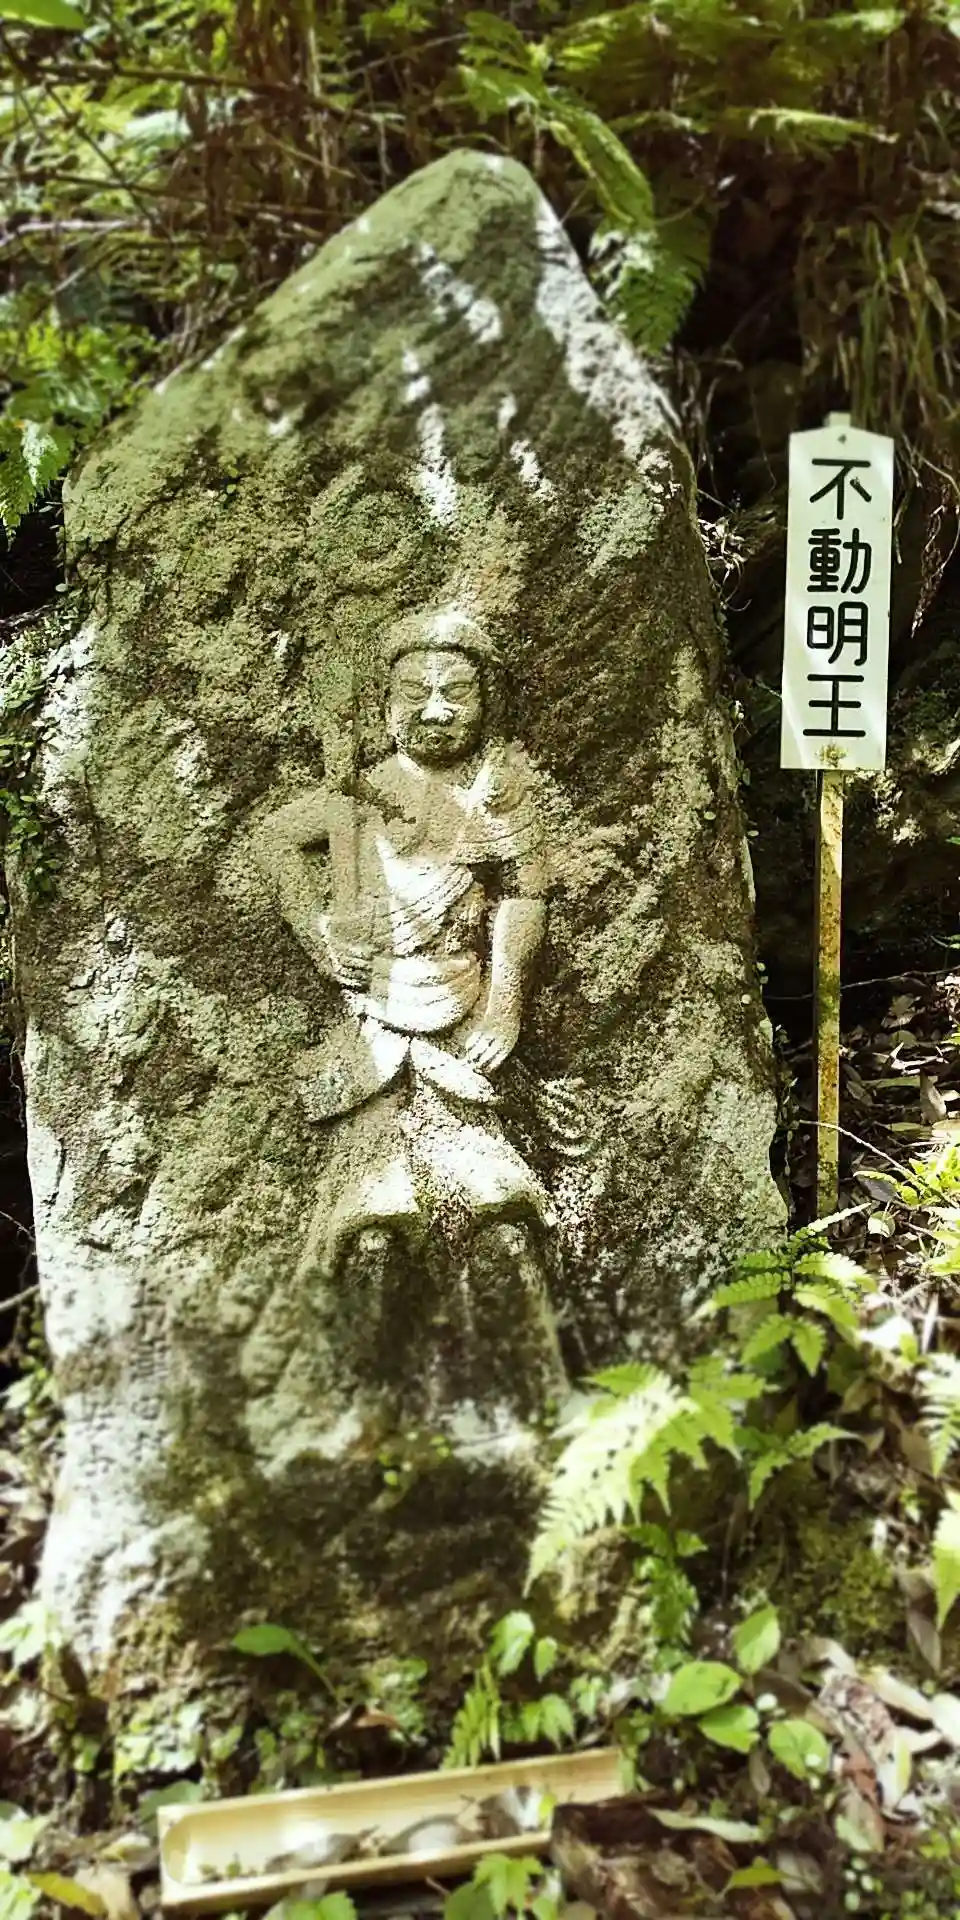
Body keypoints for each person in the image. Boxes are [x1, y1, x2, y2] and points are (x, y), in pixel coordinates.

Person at [255, 604, 565, 1404]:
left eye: (456, 692)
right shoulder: (359, 795)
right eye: (414, 693)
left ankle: (535, 1400)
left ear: (488, 700)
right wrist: (319, 932)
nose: (435, 710)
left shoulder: (500, 794)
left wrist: (505, 1003)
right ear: (383, 704)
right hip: (374, 1034)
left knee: (502, 1218)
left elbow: (525, 894)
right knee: (373, 1229)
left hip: (460, 1025)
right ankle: (348, 1410)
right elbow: (275, 840)